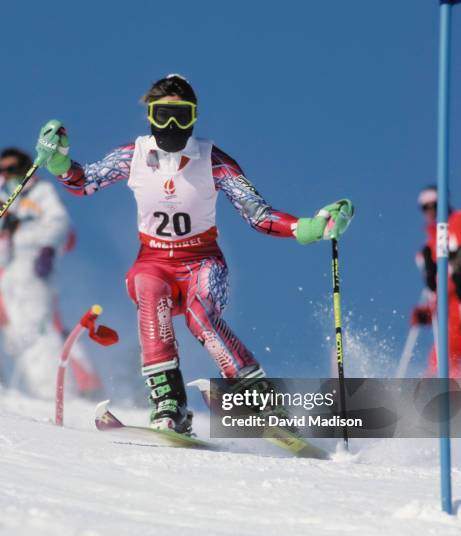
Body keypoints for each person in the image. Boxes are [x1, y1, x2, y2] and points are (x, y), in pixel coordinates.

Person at [35, 73, 354, 433]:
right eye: (162, 115)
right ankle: (169, 404)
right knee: (146, 286)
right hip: (154, 260)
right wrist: (59, 160)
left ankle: (260, 401)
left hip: (202, 261)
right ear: (150, 117)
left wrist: (307, 227)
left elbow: (257, 214)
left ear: (195, 118)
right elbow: (86, 181)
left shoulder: (213, 161)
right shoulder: (134, 155)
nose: (171, 125)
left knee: (199, 316)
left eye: (181, 116)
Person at [0, 148, 101, 397]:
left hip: (31, 262)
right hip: (7, 269)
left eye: (12, 169)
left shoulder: (40, 192)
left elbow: (59, 222)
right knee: (15, 334)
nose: (7, 175)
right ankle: (44, 387)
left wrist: (46, 248)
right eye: (2, 171)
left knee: (35, 326)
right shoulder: (4, 197)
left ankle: (61, 390)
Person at [413, 185, 461, 376]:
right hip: (451, 315)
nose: (431, 209)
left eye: (435, 204)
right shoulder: (430, 246)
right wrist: (427, 312)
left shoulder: (458, 223)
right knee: (439, 363)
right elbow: (439, 290)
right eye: (425, 207)